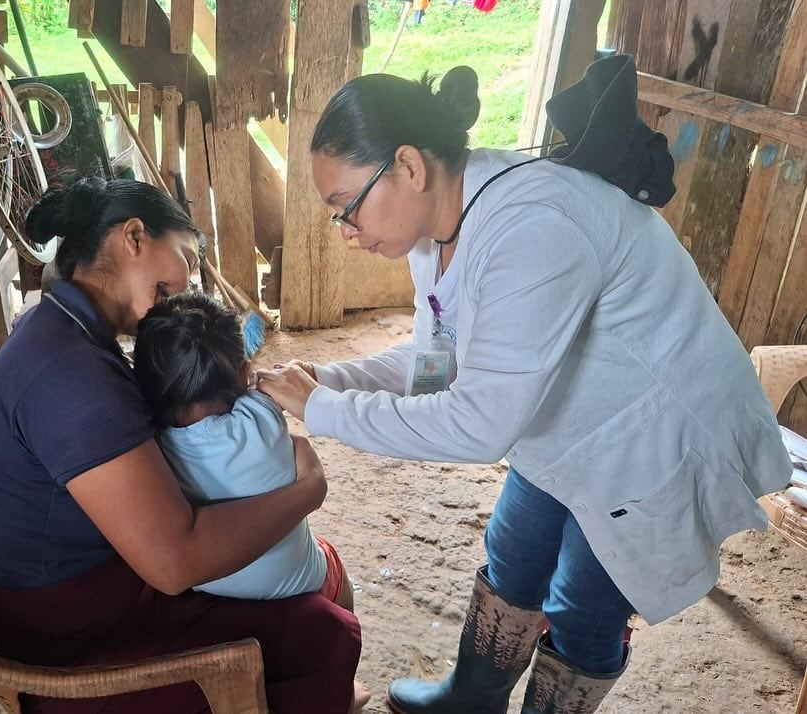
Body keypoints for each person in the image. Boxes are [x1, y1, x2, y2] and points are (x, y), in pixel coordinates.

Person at [255, 62, 792, 714]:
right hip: (564, 410)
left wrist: (325, 408)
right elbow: (438, 361)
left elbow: (479, 425)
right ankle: (473, 698)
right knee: (513, 549)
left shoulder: (534, 225)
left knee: (583, 605)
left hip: (655, 436)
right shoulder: (435, 231)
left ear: (408, 167)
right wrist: (327, 378)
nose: (343, 230)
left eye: (345, 206)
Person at [0, 176, 363, 714]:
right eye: (186, 256)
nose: (190, 279)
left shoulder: (60, 327)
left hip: (45, 596)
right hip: (59, 643)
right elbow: (174, 563)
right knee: (320, 628)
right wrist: (309, 489)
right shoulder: (71, 377)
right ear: (134, 237)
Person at [132, 291, 354, 611]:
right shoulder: (262, 415)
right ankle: (343, 615)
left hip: (208, 591)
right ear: (245, 372)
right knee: (330, 560)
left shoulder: (147, 443)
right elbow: (296, 435)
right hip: (300, 586)